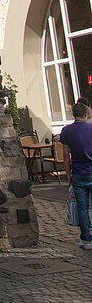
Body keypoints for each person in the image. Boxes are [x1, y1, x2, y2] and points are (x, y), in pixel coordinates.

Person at [60, 100, 92, 250]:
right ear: (86, 115)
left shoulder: (67, 131)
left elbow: (66, 155)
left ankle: (85, 239)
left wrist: (68, 174)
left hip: (78, 173)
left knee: (83, 208)